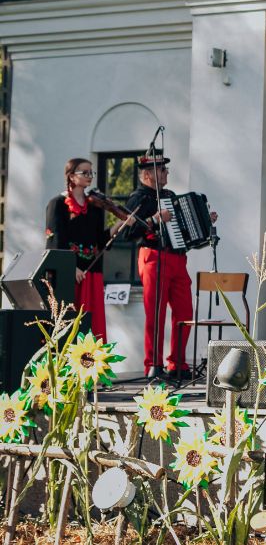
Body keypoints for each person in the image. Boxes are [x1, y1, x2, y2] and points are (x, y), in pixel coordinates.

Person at [121, 151, 217, 378]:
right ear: (147, 174)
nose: (166, 173)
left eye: (165, 169)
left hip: (176, 258)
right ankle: (153, 365)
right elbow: (128, 233)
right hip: (153, 256)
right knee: (156, 313)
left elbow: (183, 228)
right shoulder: (138, 199)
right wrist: (154, 219)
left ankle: (177, 363)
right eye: (162, 169)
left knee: (185, 311)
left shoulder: (170, 195)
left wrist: (204, 220)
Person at [44, 158, 111, 340]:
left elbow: (99, 240)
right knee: (69, 324)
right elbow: (55, 241)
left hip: (91, 273)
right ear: (72, 176)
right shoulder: (57, 203)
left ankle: (92, 367)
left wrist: (118, 226)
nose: (90, 176)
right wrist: (70, 267)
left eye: (91, 172)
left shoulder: (95, 207)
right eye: (85, 172)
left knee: (92, 324)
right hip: (69, 275)